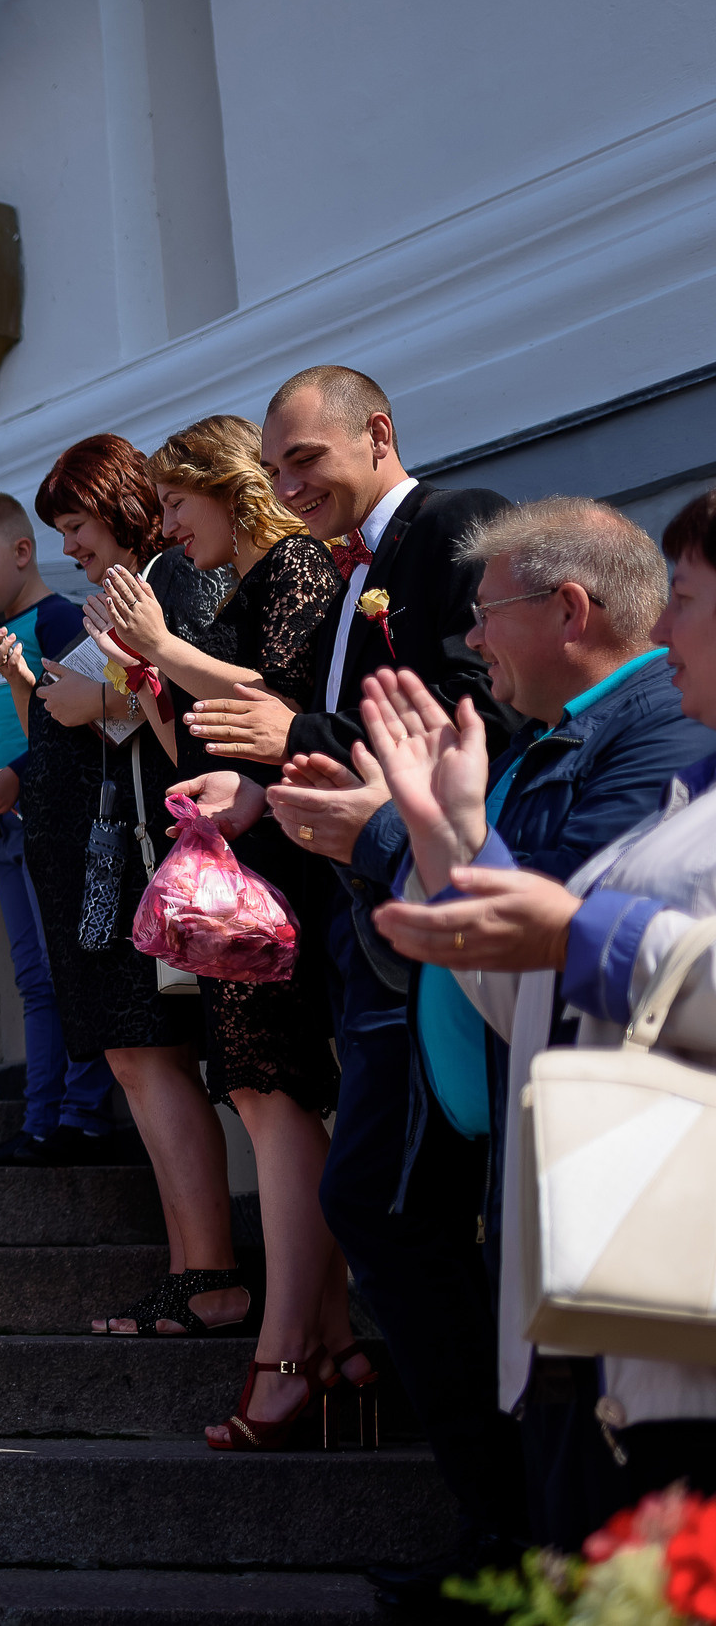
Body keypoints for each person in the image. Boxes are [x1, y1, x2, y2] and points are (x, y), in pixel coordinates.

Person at [272, 497, 713, 1546]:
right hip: (590, 1269)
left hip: (659, 1264)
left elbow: (569, 942)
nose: (662, 629)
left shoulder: (649, 743)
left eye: (689, 600)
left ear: (566, 609)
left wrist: (406, 840)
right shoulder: (671, 780)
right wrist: (444, 829)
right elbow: (534, 983)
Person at [172, 367, 516, 1597]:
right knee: (386, 1207)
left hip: (425, 923)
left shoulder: (451, 525)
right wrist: (258, 791)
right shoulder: (346, 564)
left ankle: (509, 1521)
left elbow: (473, 713)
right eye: (274, 467)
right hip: (358, 922)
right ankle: (496, 1518)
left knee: (387, 1203)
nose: (288, 482)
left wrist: (290, 744)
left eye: (305, 457)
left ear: (379, 434)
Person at [86, 415, 355, 1448]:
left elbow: (282, 710)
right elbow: (196, 737)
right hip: (244, 866)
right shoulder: (245, 582)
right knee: (257, 1091)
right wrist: (150, 675)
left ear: (222, 486)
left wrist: (164, 647)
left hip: (276, 868)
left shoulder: (291, 563)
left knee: (272, 1094)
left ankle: (289, 1351)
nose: (164, 524)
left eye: (173, 501)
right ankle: (329, 1342)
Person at [0, 439, 224, 1321]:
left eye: (76, 524)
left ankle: (208, 1275)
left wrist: (106, 698)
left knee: (153, 1060)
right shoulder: (129, 590)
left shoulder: (170, 582)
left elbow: (183, 714)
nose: (69, 545)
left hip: (142, 866)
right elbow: (82, 728)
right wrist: (33, 686)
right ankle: (189, 1270)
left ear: (123, 506)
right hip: (106, 873)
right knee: (134, 1063)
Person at [0, 491, 102, 1166]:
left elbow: (79, 728)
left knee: (68, 974)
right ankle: (40, 1123)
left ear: (23, 551)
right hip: (11, 829)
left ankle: (82, 1118)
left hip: (55, 823)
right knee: (34, 978)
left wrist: (19, 775)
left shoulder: (59, 619)